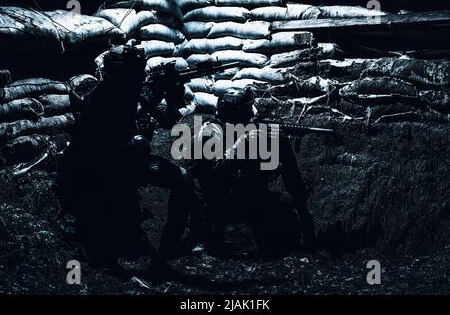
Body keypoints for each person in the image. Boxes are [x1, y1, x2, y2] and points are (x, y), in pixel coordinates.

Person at [57, 44, 197, 279]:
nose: (140, 76)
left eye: (140, 70)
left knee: (182, 178)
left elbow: (168, 123)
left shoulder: (135, 91)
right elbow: (112, 140)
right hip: (99, 170)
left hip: (130, 164)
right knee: (120, 241)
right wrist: (137, 138)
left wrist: (172, 98)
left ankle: (168, 248)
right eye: (134, 71)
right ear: (118, 73)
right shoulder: (100, 97)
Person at [190, 86, 316, 259]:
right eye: (246, 109)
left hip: (243, 196)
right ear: (234, 112)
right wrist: (241, 145)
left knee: (286, 208)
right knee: (244, 247)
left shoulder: (244, 130)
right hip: (216, 205)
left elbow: (279, 172)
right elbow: (214, 175)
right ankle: (218, 234)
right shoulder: (210, 132)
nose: (251, 114)